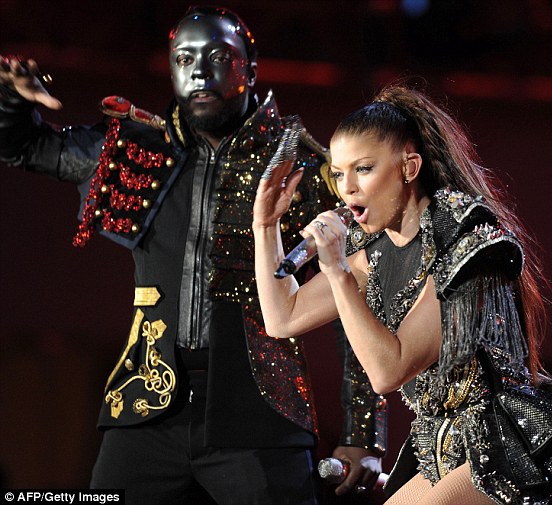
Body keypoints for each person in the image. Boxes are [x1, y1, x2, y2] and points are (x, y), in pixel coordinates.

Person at [0, 6, 386, 504]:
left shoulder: (300, 168)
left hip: (261, 410)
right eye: (184, 58)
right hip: (146, 404)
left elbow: (352, 298)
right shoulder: (132, 148)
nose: (200, 71)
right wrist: (10, 98)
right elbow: (22, 147)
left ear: (250, 67)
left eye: (218, 57)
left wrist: (363, 432)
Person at [252, 83, 552, 504]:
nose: (346, 188)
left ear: (409, 167)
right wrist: (265, 226)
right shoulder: (373, 251)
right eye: (338, 173)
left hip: (503, 445)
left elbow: (387, 372)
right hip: (439, 446)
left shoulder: (465, 244)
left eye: (363, 169)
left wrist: (337, 271)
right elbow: (282, 317)